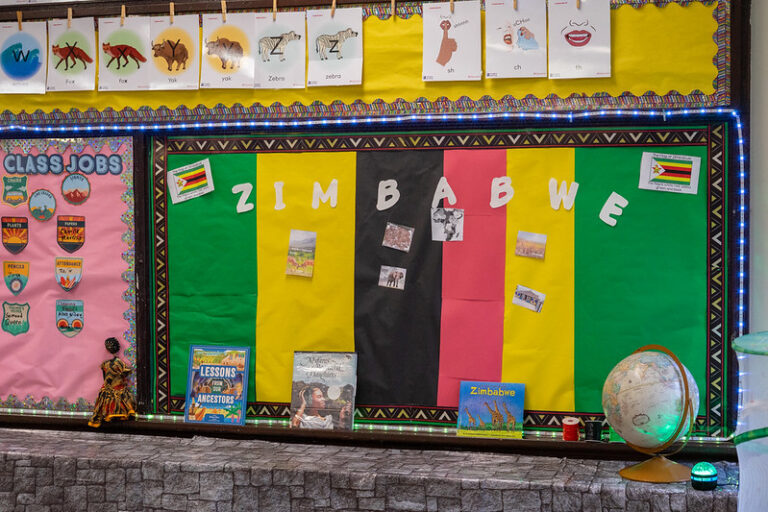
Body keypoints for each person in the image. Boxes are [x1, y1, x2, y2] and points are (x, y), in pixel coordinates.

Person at [88, 337, 137, 428]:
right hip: (116, 385)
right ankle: (118, 413)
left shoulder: (106, 364)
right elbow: (125, 373)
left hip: (110, 386)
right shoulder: (117, 363)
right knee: (119, 396)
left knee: (109, 397)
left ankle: (111, 413)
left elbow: (105, 376)